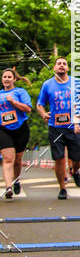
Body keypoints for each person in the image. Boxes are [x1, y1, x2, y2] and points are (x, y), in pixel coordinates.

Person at [37, 57, 80, 200]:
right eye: (59, 64)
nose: (62, 66)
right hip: (55, 127)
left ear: (68, 68)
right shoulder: (47, 85)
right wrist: (43, 114)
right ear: (54, 68)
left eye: (64, 64)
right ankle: (62, 188)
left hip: (73, 126)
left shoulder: (75, 83)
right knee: (58, 158)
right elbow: (40, 103)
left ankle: (74, 171)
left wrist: (77, 122)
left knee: (78, 158)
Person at [0, 68, 32, 198]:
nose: (6, 79)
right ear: (2, 79)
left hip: (20, 129)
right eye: (4, 77)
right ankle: (8, 187)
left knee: (17, 161)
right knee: (8, 159)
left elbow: (28, 109)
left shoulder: (20, 92)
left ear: (14, 79)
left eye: (9, 77)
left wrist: (13, 102)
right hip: (3, 129)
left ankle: (16, 180)